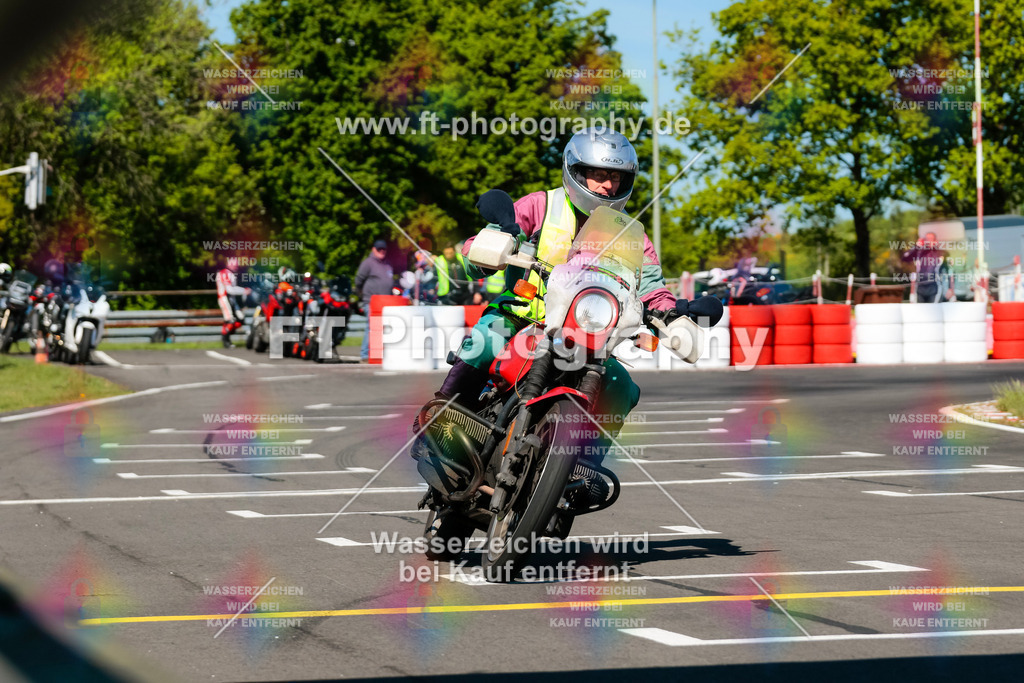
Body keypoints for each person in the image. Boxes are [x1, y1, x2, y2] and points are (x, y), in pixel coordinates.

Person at [419, 128, 698, 449]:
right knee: (485, 341)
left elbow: (651, 287)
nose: (608, 185)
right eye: (598, 174)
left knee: (622, 388)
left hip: (590, 336)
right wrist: (494, 245)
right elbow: (484, 239)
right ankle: (442, 418)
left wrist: (672, 314)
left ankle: (586, 461)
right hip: (524, 316)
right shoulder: (542, 205)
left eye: (616, 177)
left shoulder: (632, 235)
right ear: (575, 171)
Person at [354, 239, 395, 361]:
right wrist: (362, 294)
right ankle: (365, 354)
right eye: (379, 249)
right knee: (372, 327)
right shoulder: (368, 263)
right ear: (373, 249)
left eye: (384, 249)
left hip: (386, 302)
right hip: (372, 301)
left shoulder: (387, 264)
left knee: (384, 328)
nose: (381, 251)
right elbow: (358, 280)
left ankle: (379, 353)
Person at [902, 232, 953, 303]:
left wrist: (950, 288)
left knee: (933, 308)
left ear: (935, 241)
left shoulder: (942, 253)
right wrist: (916, 246)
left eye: (931, 239)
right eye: (926, 239)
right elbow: (905, 257)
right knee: (920, 309)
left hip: (934, 287)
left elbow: (949, 271)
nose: (928, 241)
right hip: (920, 287)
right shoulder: (919, 252)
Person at [216, 257, 250, 348]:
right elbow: (230, 290)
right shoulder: (224, 273)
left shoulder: (230, 273)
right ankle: (226, 339)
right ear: (228, 264)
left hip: (231, 300)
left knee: (240, 319)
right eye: (234, 264)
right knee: (230, 320)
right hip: (225, 299)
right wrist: (244, 291)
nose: (236, 266)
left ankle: (227, 332)